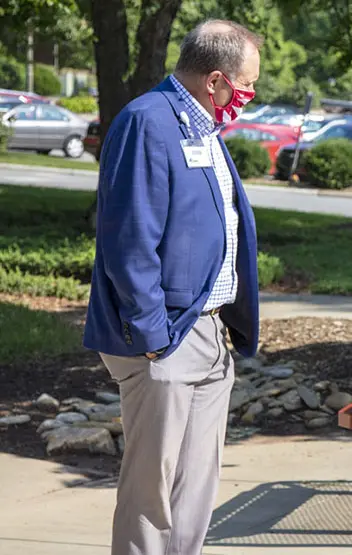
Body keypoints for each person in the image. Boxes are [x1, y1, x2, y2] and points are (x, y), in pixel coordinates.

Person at [82, 19, 263, 555]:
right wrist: (153, 335)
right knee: (151, 492)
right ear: (216, 80)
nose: (249, 98)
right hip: (165, 340)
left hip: (210, 336)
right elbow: (128, 239)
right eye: (246, 87)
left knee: (196, 488)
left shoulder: (201, 127)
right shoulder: (148, 122)